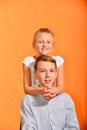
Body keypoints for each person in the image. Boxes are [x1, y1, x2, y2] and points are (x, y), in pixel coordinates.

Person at [20, 55, 80, 130]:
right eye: (42, 71)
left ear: (56, 73)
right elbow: (28, 127)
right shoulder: (28, 100)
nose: (47, 75)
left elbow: (73, 127)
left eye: (51, 71)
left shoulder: (66, 99)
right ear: (35, 74)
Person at [22, 28, 64, 99]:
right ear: (34, 44)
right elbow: (27, 89)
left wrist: (52, 91)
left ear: (53, 45)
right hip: (34, 100)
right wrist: (42, 90)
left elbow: (61, 87)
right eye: (40, 42)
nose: (44, 45)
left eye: (48, 42)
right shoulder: (28, 61)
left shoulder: (58, 60)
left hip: (53, 97)